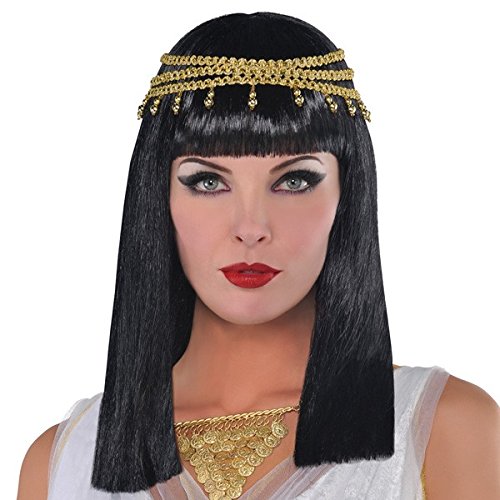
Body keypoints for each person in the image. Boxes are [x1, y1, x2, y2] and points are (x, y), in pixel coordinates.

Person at [17, 11, 499, 500]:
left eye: (294, 181)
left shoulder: (441, 430)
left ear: (347, 196)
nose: (251, 228)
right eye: (208, 182)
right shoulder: (62, 462)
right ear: (158, 197)